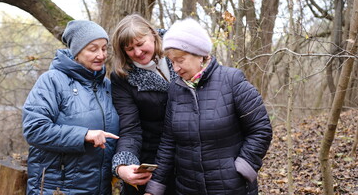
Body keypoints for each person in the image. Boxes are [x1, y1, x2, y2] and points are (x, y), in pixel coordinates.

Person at [145, 18, 273, 195]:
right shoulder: (175, 89)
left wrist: (243, 167)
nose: (175, 68)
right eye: (172, 62)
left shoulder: (232, 80)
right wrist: (155, 187)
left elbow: (261, 128)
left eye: (180, 60)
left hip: (232, 188)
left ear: (199, 54)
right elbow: (168, 142)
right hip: (187, 188)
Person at [22, 20, 120, 195]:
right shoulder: (52, 80)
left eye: (104, 48)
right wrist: (84, 135)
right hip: (57, 189)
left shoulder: (106, 86)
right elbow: (34, 129)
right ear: (76, 52)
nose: (101, 55)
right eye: (93, 49)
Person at [110, 14, 177, 195]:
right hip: (151, 157)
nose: (138, 53)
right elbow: (130, 128)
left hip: (190, 157)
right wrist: (123, 165)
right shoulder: (122, 77)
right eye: (130, 49)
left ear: (153, 34)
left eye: (140, 44)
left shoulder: (179, 51)